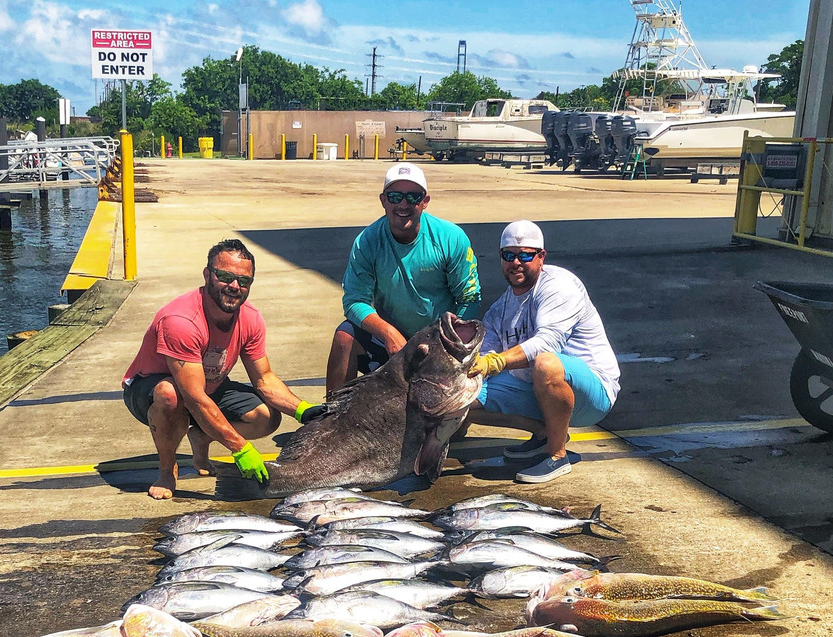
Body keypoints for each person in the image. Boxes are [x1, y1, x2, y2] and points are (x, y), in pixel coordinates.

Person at [122, 238, 325, 499]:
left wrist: (303, 410)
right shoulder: (181, 320)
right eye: (225, 276)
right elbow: (194, 398)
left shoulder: (250, 318)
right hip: (148, 390)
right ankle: (166, 469)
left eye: (244, 281)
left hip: (208, 386)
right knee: (170, 394)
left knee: (266, 416)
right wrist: (240, 448)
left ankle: (202, 437)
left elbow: (264, 379)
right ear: (208, 274)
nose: (234, 287)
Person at [468, 220, 620, 484]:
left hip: (591, 394)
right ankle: (543, 434)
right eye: (509, 255)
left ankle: (558, 455)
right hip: (538, 392)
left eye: (525, 254)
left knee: (546, 363)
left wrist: (494, 362)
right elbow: (486, 355)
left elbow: (547, 344)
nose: (516, 262)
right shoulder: (498, 310)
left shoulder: (560, 286)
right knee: (457, 398)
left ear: (541, 257)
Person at [325, 163, 481, 392]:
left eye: (413, 197)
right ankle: (334, 418)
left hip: (440, 340)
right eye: (395, 196)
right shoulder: (367, 241)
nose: (403, 205)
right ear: (383, 200)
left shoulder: (451, 238)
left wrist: (447, 343)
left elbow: (469, 298)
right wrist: (389, 333)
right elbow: (354, 301)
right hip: (390, 339)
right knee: (344, 337)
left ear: (425, 201)